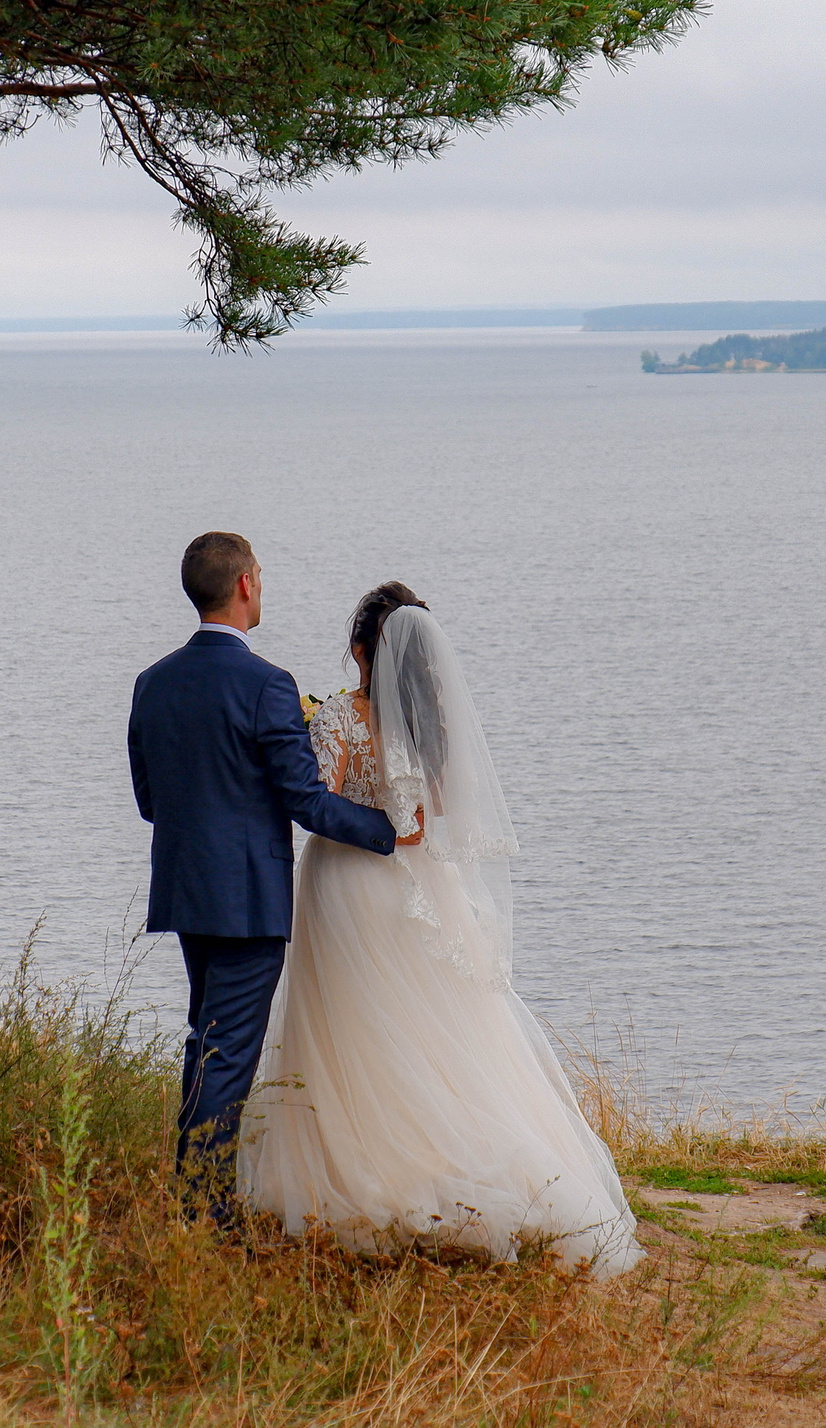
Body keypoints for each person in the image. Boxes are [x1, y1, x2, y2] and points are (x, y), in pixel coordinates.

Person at [239, 583, 644, 1277]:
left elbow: (318, 799)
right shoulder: (434, 728)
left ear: (360, 650)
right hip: (422, 889)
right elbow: (432, 817)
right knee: (427, 1025)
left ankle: (364, 1165)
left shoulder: (340, 716)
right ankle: (457, 1160)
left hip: (347, 884)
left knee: (351, 1025)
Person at [127, 534, 416, 1216]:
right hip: (249, 897)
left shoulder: (152, 681)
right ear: (245, 585)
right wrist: (388, 830)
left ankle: (192, 1199)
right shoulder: (266, 684)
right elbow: (306, 801)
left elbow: (149, 801)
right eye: (260, 574)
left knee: (207, 1040)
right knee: (228, 1051)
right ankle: (205, 1214)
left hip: (185, 889)